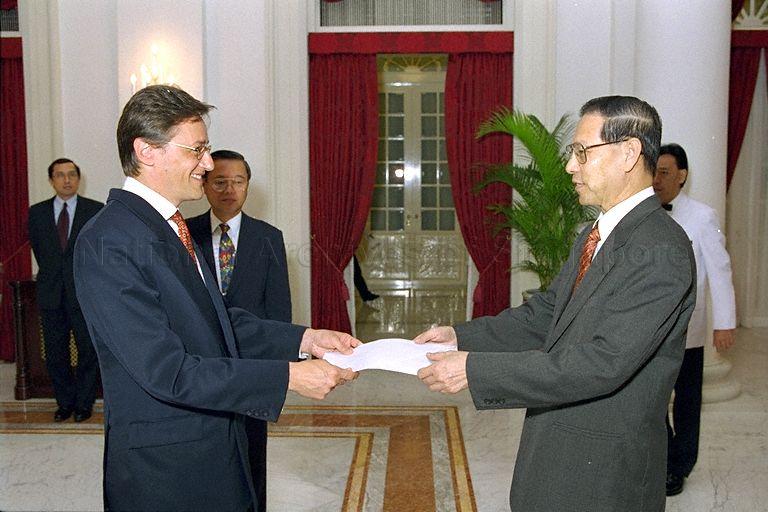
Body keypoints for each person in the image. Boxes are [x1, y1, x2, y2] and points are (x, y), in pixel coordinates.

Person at [73, 85, 358, 512]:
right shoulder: (109, 240)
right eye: (197, 150)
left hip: (213, 445)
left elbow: (215, 321)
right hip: (168, 472)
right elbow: (167, 372)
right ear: (147, 151)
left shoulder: (167, 226)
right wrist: (288, 377)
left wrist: (306, 339)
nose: (208, 164)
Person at [414, 95, 697, 512]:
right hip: (557, 453)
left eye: (582, 152)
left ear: (629, 153)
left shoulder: (660, 249)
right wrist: (459, 337)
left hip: (603, 475)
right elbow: (546, 314)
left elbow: (603, 363)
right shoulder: (596, 234)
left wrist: (474, 369)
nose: (569, 166)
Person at [188, 149, 292, 510]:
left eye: (238, 182)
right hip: (201, 366)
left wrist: (280, 371)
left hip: (252, 366)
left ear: (248, 185)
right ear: (204, 185)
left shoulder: (269, 237)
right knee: (205, 454)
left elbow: (278, 308)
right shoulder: (185, 234)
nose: (230, 190)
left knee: (252, 453)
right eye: (220, 182)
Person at [653, 142, 736, 496]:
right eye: (654, 172)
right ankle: (662, 459)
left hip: (688, 330)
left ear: (682, 176)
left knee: (687, 403)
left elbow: (720, 270)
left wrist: (724, 322)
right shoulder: (644, 214)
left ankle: (680, 466)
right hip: (650, 331)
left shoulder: (703, 217)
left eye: (664, 172)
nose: (656, 180)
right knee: (653, 401)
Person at [28, 158, 103, 423]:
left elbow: (98, 252)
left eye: (72, 174)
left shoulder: (95, 210)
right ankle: (64, 403)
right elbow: (40, 251)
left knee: (88, 351)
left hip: (84, 294)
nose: (67, 179)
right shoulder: (36, 213)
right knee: (55, 353)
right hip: (51, 295)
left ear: (79, 178)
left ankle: (84, 403)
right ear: (51, 181)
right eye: (60, 175)